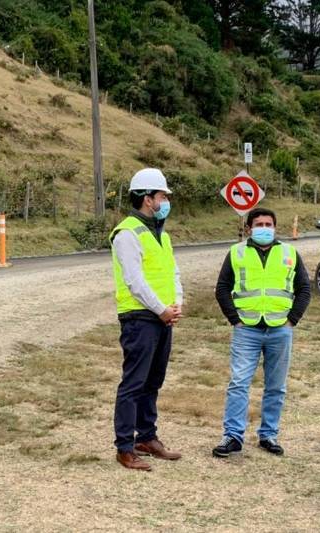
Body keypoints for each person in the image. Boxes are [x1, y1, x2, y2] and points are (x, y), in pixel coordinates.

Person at [212, 208, 311, 458]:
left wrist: (292, 320)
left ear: (275, 228)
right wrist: (234, 319)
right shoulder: (236, 252)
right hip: (247, 329)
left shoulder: (289, 253)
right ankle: (233, 436)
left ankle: (268, 435)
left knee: (276, 387)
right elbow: (222, 288)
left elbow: (304, 289)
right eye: (259, 224)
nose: (264, 228)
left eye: (269, 224)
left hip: (280, 329)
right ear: (249, 229)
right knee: (239, 383)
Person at [110, 168, 184, 471]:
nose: (165, 200)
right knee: (134, 383)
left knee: (153, 381)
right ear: (146, 198)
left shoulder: (161, 234)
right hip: (140, 318)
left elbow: (172, 272)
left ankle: (147, 437)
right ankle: (125, 446)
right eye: (162, 195)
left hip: (162, 317)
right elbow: (134, 281)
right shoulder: (127, 233)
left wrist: (176, 303)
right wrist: (160, 309)